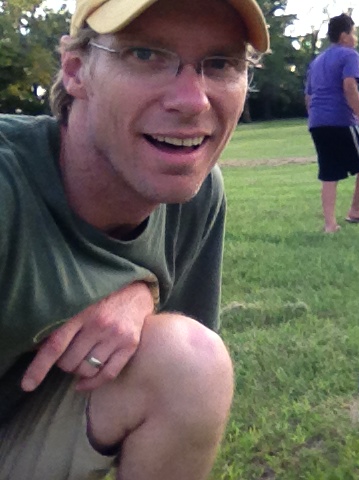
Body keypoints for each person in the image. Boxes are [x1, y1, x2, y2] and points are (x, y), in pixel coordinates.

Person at [0, 0, 269, 479]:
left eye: (221, 63)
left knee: (189, 363)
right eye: (146, 55)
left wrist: (143, 292)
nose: (192, 101)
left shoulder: (195, 193)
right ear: (76, 70)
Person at [305, 13, 359, 234]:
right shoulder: (349, 55)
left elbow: (308, 95)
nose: (355, 37)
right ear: (344, 35)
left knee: (329, 173)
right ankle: (355, 209)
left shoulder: (316, 62)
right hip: (341, 120)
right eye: (354, 33)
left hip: (317, 122)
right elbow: (350, 87)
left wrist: (315, 118)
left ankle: (330, 225)